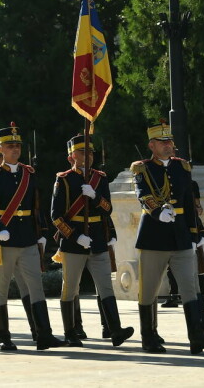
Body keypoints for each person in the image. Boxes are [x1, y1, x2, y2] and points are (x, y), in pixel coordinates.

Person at [131, 120, 204, 355]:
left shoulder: (182, 168)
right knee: (149, 291)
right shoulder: (142, 168)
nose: (169, 145)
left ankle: (196, 338)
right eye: (163, 142)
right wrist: (158, 211)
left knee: (190, 288)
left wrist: (197, 232)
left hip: (180, 236)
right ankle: (149, 338)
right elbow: (143, 194)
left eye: (170, 141)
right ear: (152, 145)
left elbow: (189, 203)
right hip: (153, 236)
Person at [0, 124, 65, 352]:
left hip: (27, 237)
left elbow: (37, 205)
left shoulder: (29, 174)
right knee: (2, 288)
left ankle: (43, 334)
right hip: (4, 240)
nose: (15, 149)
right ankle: (2, 336)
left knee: (35, 286)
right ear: (1, 149)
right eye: (10, 146)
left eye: (17, 145)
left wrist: (43, 233)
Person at [51, 134, 133, 347]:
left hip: (98, 239)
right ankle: (70, 332)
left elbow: (108, 208)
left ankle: (115, 330)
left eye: (90, 152)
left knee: (106, 287)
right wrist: (76, 236)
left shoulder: (100, 178)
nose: (87, 156)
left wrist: (95, 196)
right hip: (73, 241)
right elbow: (56, 216)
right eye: (82, 152)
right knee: (70, 288)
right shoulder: (64, 180)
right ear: (71, 157)